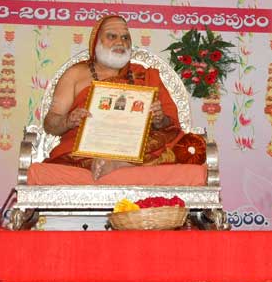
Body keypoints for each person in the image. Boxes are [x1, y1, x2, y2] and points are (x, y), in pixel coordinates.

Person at [43, 15, 184, 177]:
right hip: (88, 145)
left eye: (125, 37)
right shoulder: (75, 75)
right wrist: (68, 121)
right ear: (96, 41)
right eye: (112, 36)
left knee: (189, 146)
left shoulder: (145, 75)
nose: (120, 42)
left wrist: (160, 120)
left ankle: (116, 163)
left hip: (135, 144)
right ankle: (111, 163)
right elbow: (50, 123)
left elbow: (171, 124)